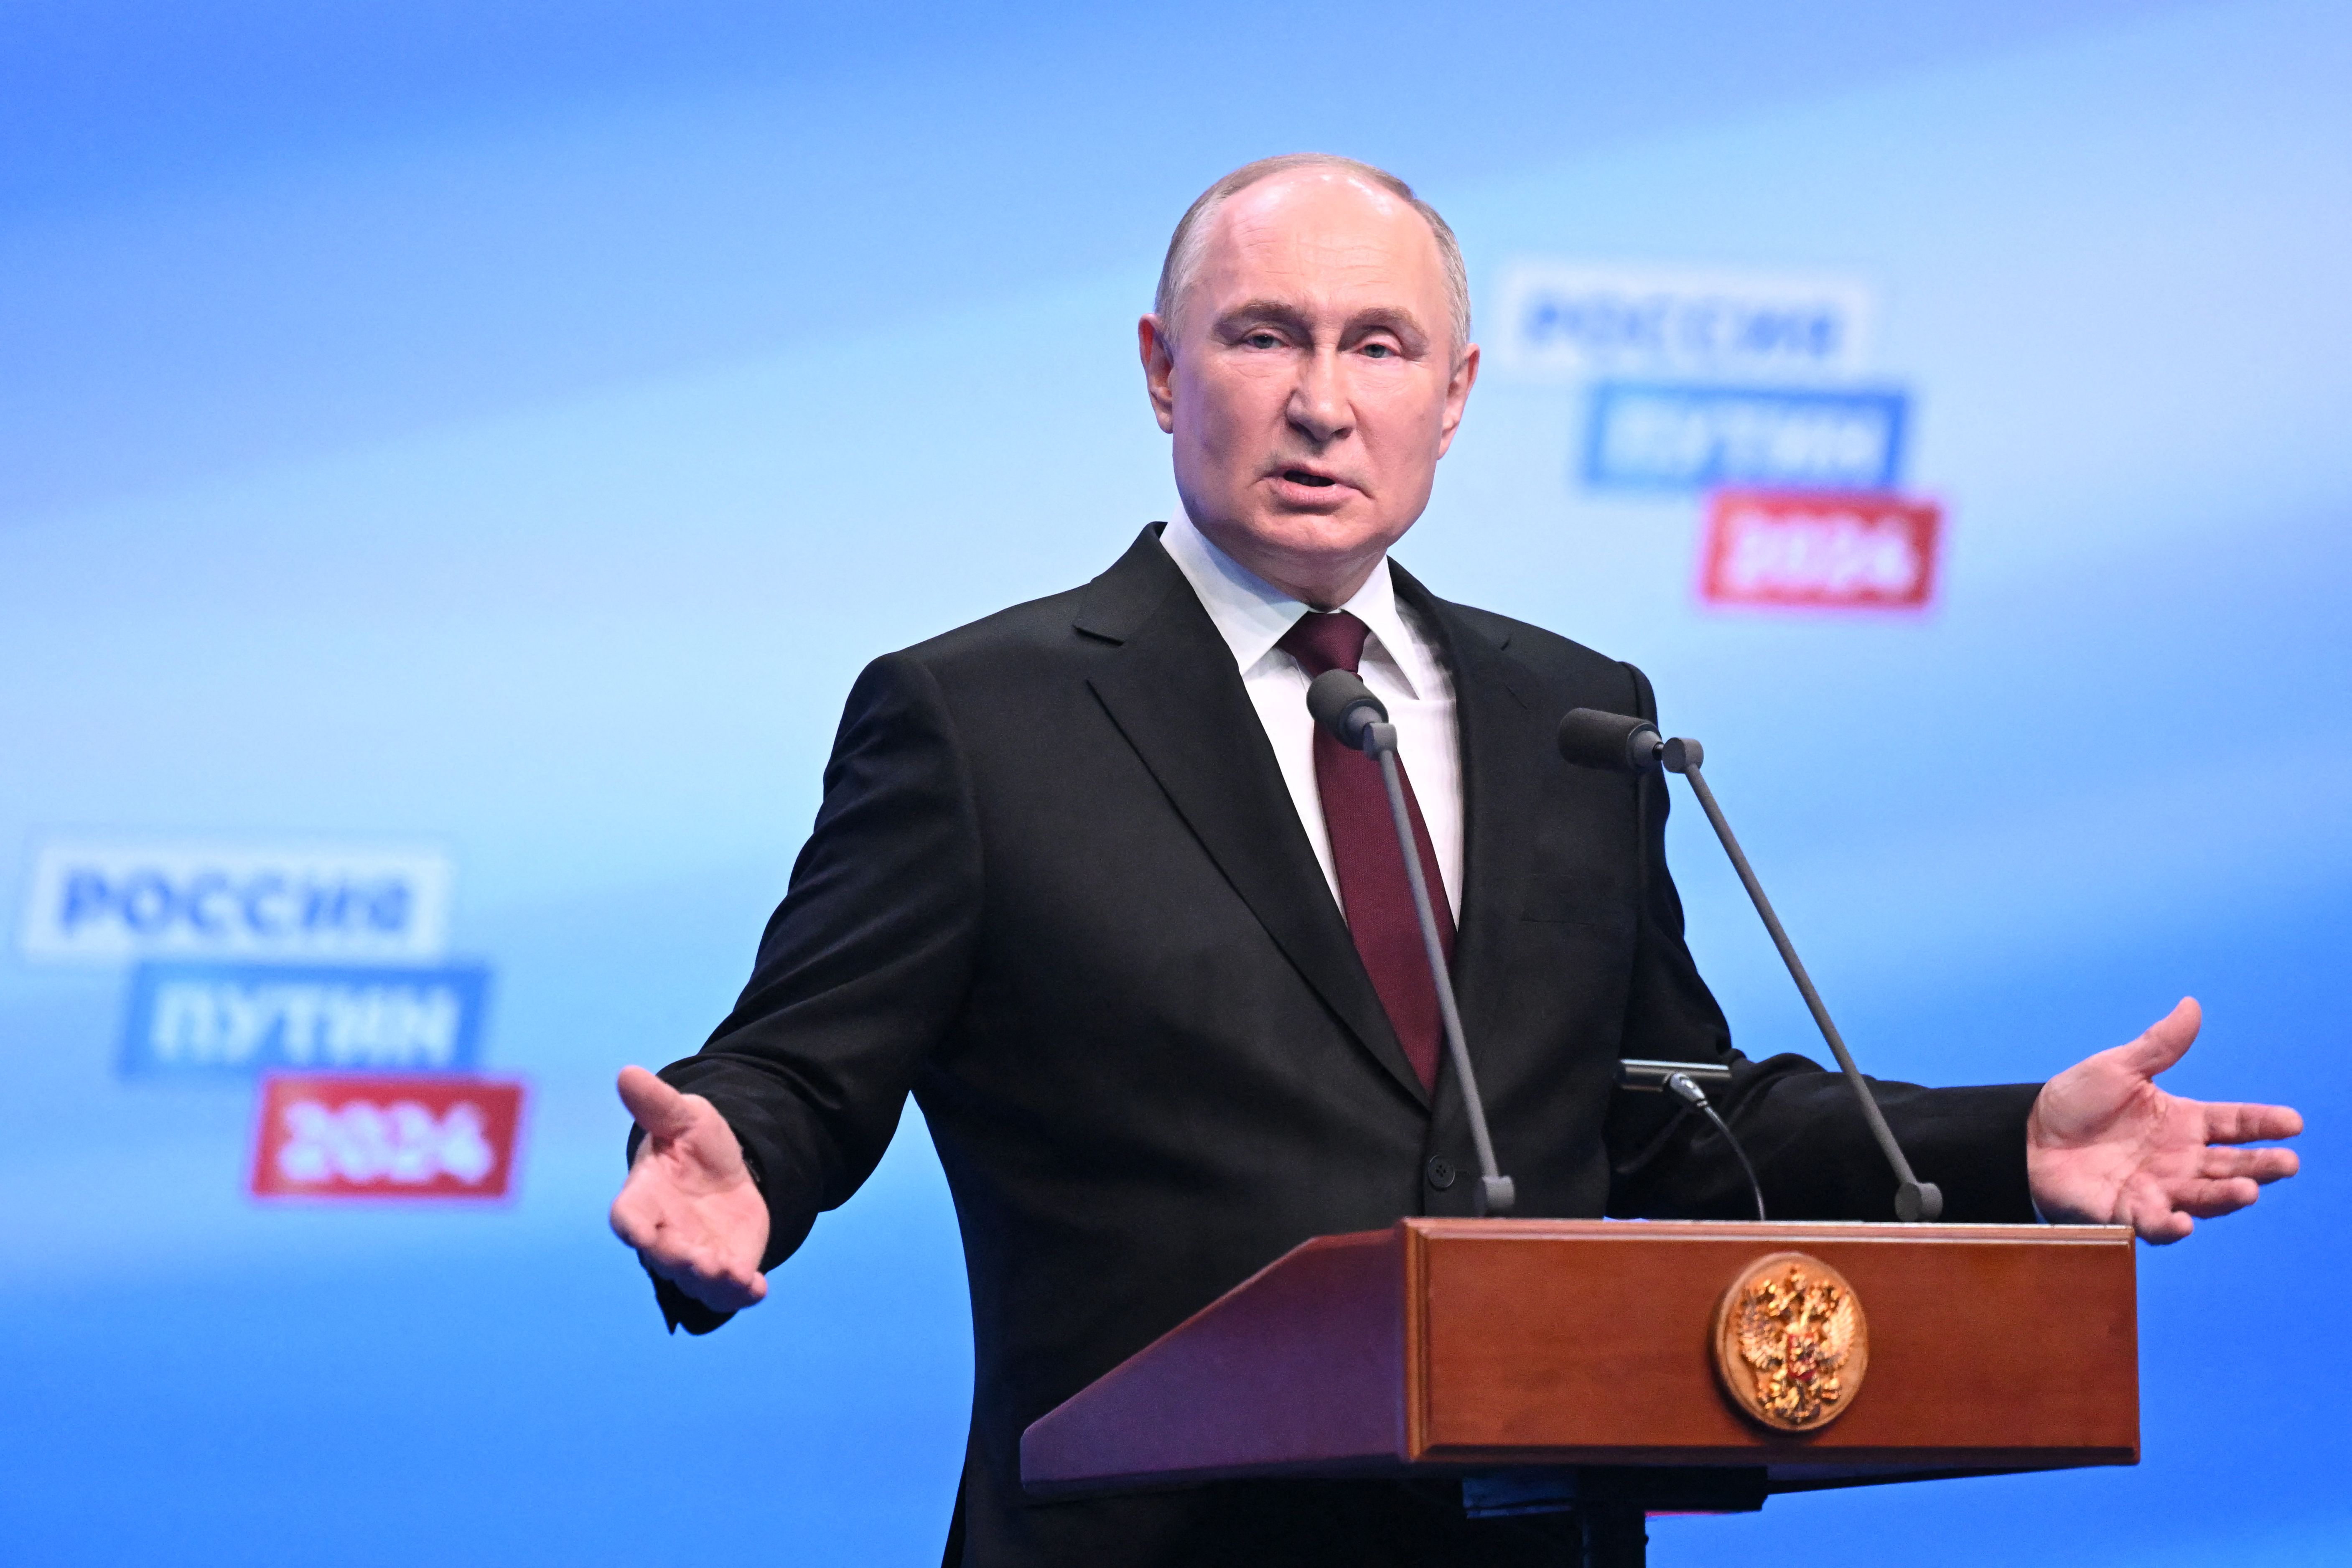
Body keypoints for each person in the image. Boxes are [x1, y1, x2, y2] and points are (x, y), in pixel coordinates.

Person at [608, 154, 2303, 1567]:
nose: (1323, 402)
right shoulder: (980, 718)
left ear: (1459, 391)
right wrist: (736, 1155)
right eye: (1264, 336)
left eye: (1382, 345)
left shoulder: (1578, 713)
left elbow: (1665, 1118)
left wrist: (2007, 1140)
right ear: (1158, 368)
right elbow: (804, 1066)